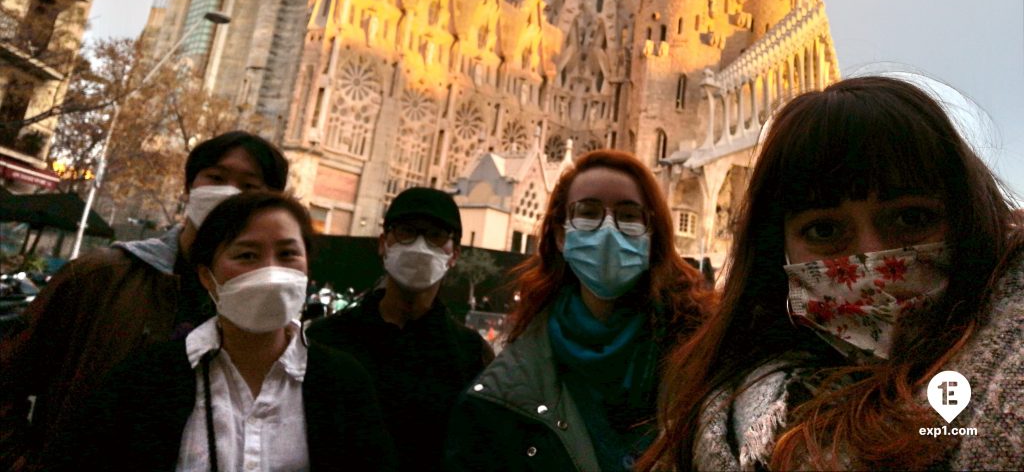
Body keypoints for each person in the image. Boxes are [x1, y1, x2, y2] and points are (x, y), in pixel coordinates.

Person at [640, 76, 1024, 471]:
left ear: (970, 219)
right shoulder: (716, 419)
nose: (872, 256)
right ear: (777, 251)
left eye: (911, 218)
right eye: (825, 230)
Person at [0, 131, 288, 472]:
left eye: (248, 186)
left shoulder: (271, 318)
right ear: (189, 188)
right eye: (216, 177)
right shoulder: (99, 278)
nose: (228, 193)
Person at [52, 190, 395, 471]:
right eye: (247, 255)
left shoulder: (344, 384)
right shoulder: (146, 378)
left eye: (288, 253)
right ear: (207, 276)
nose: (270, 272)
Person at [444, 149, 713, 471]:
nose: (608, 229)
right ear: (560, 235)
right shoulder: (503, 393)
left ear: (652, 235)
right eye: (588, 212)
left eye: (628, 216)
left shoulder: (706, 362)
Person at [307, 186, 493, 472]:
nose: (420, 246)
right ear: (383, 243)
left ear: (454, 255)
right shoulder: (324, 340)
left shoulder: (472, 355)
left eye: (435, 236)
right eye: (407, 231)